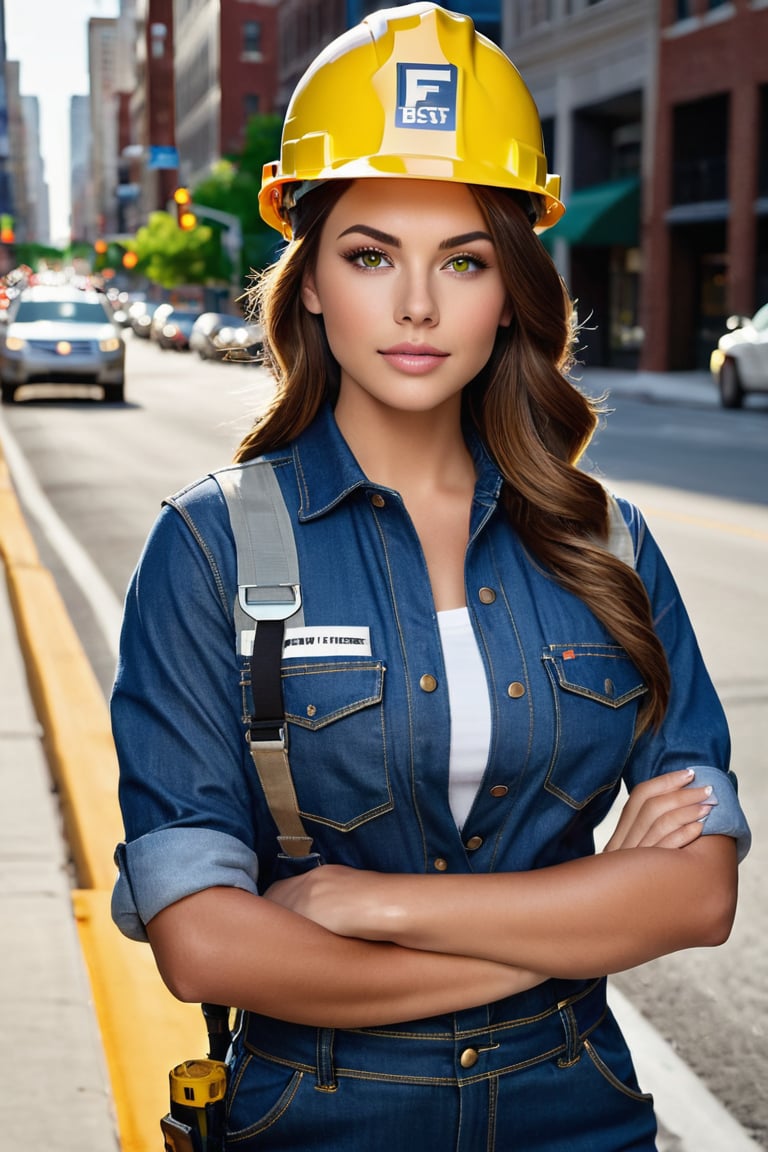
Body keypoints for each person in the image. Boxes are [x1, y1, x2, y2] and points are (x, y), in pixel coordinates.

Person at [111, 5, 751, 1149]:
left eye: (463, 260)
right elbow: (203, 942)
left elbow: (698, 896)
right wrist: (577, 921)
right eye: (370, 256)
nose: (417, 306)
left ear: (510, 285)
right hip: (314, 1114)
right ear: (309, 280)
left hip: (583, 1114)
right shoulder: (210, 548)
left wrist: (372, 906)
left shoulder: (610, 544)